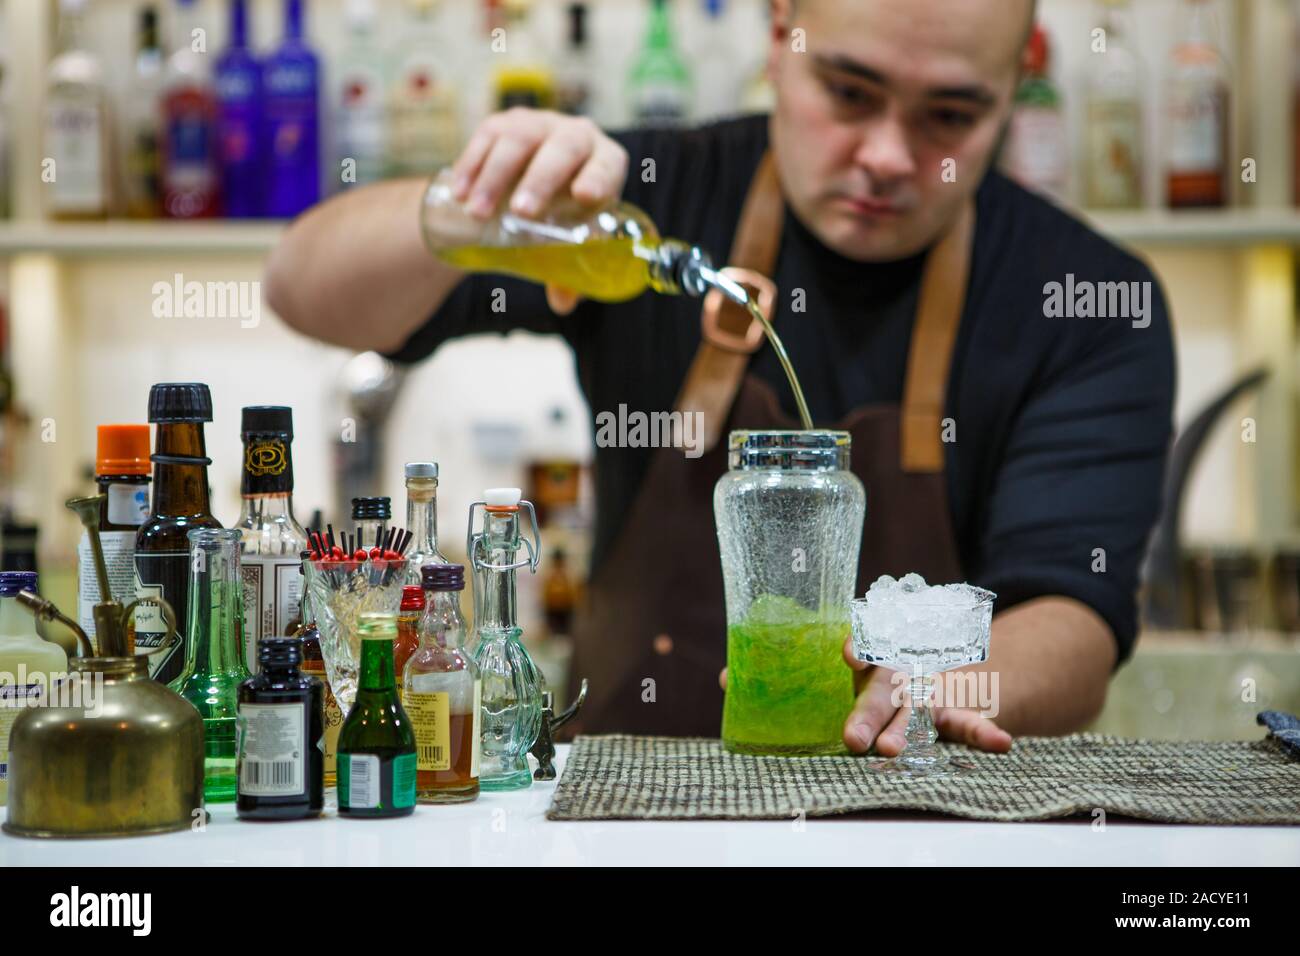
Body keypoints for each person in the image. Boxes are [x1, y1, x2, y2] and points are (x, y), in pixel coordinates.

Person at [266, 0, 1175, 756]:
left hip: (923, 819)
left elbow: (1075, 618)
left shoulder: (1082, 298)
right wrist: (466, 207)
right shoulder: (649, 207)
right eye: (849, 92)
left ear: (1017, 81)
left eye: (951, 115)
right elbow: (303, 288)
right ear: (780, 36)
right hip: (625, 814)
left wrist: (935, 683)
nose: (892, 157)